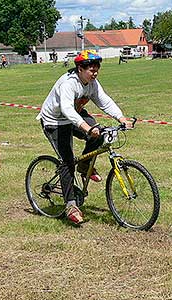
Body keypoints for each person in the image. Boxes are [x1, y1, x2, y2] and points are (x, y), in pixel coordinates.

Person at [37, 49, 133, 225]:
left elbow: (104, 101)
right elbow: (66, 109)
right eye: (91, 69)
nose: (95, 72)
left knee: (99, 135)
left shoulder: (92, 83)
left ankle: (84, 165)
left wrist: (121, 118)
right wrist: (86, 127)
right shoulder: (68, 83)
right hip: (55, 122)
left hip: (75, 116)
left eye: (97, 68)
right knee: (66, 162)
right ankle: (71, 206)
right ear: (80, 68)